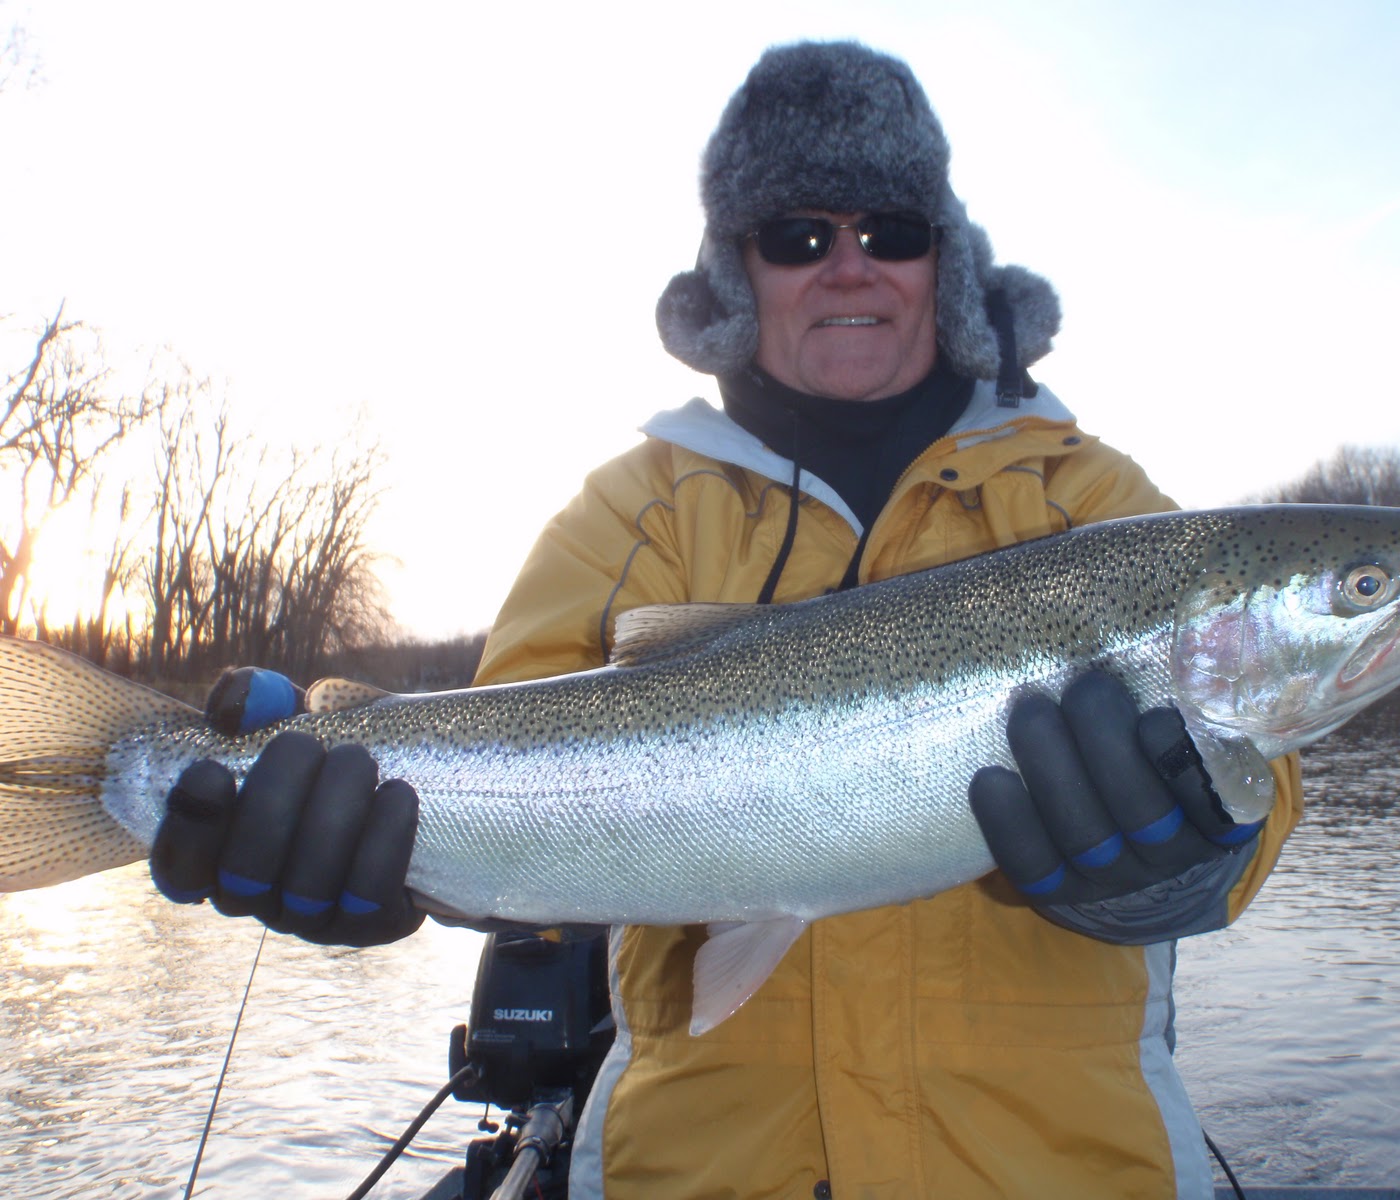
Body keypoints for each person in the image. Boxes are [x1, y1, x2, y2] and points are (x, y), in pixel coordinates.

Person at [151, 41, 1302, 1199]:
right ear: (736, 272)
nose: (850, 268)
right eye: (799, 237)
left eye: (893, 230)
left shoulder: (1090, 499)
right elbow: (504, 768)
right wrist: (379, 861)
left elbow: (1269, 785)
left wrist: (1187, 861)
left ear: (944, 264)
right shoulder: (628, 509)